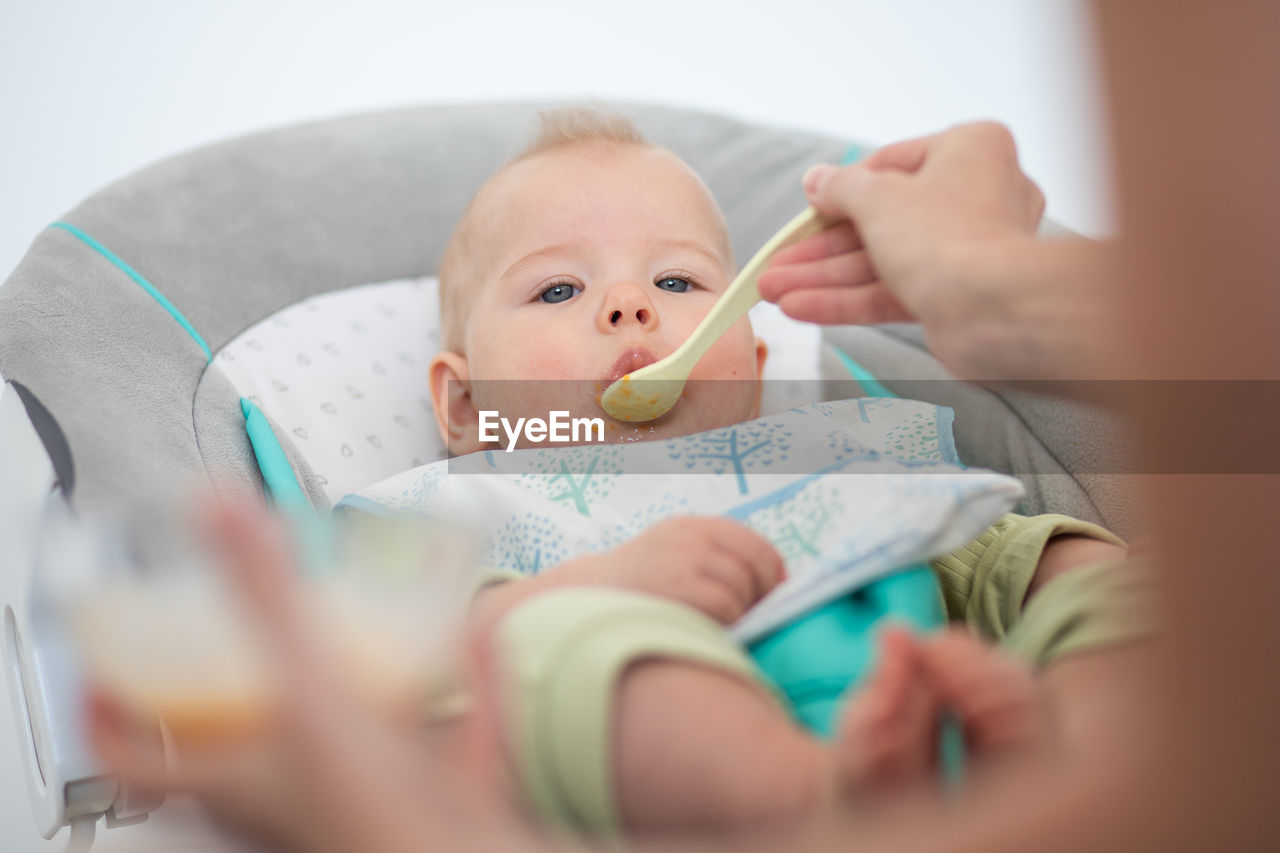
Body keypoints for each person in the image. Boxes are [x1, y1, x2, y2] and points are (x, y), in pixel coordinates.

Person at [94, 3, 1280, 847]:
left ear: (756, 361)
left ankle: (1097, 746)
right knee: (560, 647)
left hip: (925, 638)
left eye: (675, 284)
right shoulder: (450, 507)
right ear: (461, 403)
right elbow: (420, 666)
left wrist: (1062, 564)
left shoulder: (838, 444)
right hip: (664, 718)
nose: (625, 305)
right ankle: (807, 799)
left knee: (1076, 559)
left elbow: (973, 542)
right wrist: (607, 580)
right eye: (558, 291)